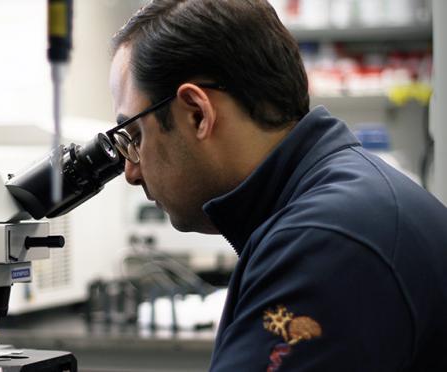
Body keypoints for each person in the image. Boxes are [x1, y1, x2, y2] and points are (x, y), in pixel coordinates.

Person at [106, 0, 447, 371]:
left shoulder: (326, 239)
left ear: (197, 114)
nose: (131, 172)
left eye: (135, 136)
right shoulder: (340, 203)